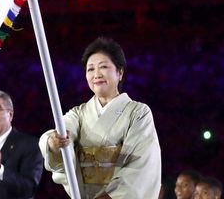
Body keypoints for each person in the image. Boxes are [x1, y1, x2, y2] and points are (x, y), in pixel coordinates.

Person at [40, 36, 162, 199]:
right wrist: (54, 142)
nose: (96, 74)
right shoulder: (78, 113)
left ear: (120, 72)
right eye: (90, 69)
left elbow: (142, 166)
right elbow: (63, 130)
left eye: (103, 67)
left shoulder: (138, 113)